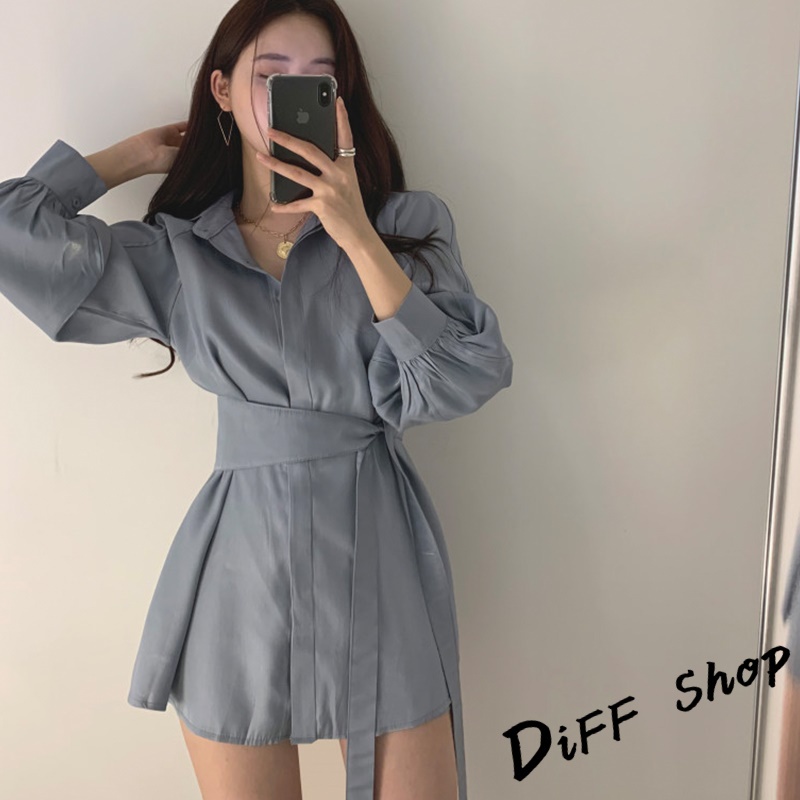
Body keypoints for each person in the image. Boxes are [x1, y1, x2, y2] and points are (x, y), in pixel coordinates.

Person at [0, 1, 513, 798]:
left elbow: (461, 380)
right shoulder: (179, 255)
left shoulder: (407, 225)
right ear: (223, 92)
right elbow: (10, 233)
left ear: (341, 100)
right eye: (270, 78)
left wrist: (355, 232)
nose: (292, 98)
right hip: (239, 576)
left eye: (318, 81)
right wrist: (130, 158)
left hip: (377, 557)